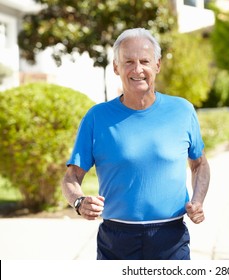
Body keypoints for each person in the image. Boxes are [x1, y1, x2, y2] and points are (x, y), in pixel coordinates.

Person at [62, 27, 210, 260]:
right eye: (128, 61)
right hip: (116, 240)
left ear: (157, 65)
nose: (137, 69)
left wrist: (198, 201)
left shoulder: (182, 110)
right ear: (116, 67)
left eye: (144, 61)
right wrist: (79, 202)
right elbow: (71, 178)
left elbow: (199, 164)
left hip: (171, 238)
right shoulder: (96, 117)